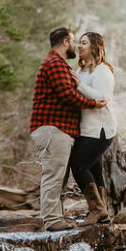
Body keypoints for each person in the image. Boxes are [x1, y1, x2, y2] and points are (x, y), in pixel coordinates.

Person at [30, 27, 107, 232]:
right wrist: (93, 103)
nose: (75, 46)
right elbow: (68, 95)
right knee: (53, 175)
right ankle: (52, 220)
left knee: (58, 176)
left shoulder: (59, 64)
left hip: (60, 130)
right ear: (65, 42)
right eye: (73, 41)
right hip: (52, 129)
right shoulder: (54, 64)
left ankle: (55, 218)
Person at [69, 32, 117, 225]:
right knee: (94, 169)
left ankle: (96, 210)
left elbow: (101, 97)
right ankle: (102, 212)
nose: (79, 47)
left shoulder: (103, 71)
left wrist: (79, 85)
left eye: (84, 43)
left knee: (78, 165)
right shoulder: (80, 71)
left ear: (95, 47)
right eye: (79, 43)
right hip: (85, 128)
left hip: (101, 129)